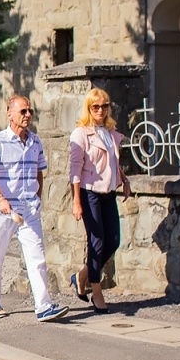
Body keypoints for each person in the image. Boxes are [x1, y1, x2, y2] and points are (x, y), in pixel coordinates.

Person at [0, 95, 68, 322]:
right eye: (23, 111)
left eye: (30, 111)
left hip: (29, 210)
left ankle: (44, 306)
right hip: (2, 210)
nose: (28, 115)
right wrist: (0, 199)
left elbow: (39, 172)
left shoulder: (35, 142)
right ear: (10, 114)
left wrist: (37, 198)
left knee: (37, 257)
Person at [68, 87, 133, 314]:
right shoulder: (81, 134)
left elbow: (112, 162)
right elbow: (74, 171)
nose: (100, 110)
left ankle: (82, 275)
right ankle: (96, 291)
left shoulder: (109, 131)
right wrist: (76, 201)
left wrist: (124, 179)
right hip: (89, 193)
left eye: (104, 106)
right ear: (88, 108)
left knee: (113, 240)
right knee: (96, 241)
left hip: (108, 193)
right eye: (95, 107)